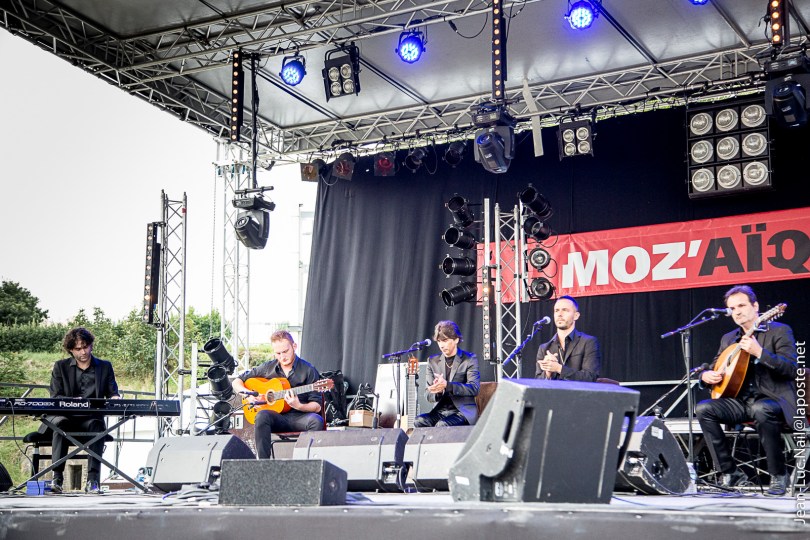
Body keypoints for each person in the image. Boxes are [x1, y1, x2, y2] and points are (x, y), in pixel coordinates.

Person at [695, 285, 797, 496]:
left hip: (774, 400)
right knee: (704, 409)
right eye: (732, 308)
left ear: (756, 306)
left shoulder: (779, 331)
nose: (737, 312)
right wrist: (705, 376)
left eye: (741, 306)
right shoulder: (729, 338)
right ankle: (730, 472)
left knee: (761, 409)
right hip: (741, 403)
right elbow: (716, 366)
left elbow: (791, 369)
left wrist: (760, 353)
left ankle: (778, 475)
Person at [48, 327, 121, 494]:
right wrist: (72, 401)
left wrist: (115, 398)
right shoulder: (61, 367)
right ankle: (57, 478)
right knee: (60, 424)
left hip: (90, 419)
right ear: (71, 350)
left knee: (97, 426)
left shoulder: (105, 367)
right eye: (78, 349)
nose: (83, 352)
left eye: (86, 347)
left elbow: (113, 392)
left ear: (91, 345)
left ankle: (93, 481)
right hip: (65, 416)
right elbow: (55, 396)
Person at [232, 330, 324, 458]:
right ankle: (263, 464)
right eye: (278, 353)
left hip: (300, 417)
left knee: (317, 421)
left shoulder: (308, 370)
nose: (282, 357)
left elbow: (317, 406)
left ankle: (307, 463)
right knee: (261, 416)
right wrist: (248, 394)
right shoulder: (267, 368)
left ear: (294, 346)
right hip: (276, 418)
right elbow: (236, 382)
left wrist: (299, 405)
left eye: (285, 351)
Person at [414, 321, 480, 428]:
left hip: (462, 412)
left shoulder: (469, 359)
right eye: (439, 341)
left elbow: (474, 388)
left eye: (445, 340)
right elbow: (428, 395)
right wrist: (438, 391)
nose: (441, 345)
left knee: (442, 425)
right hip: (440, 411)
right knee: (419, 421)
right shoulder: (432, 361)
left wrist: (447, 385)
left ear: (456, 340)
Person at [534, 295, 601, 381]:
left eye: (565, 310)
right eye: (556, 310)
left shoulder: (588, 342)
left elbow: (590, 377)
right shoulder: (544, 348)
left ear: (576, 315)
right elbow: (537, 383)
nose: (560, 314)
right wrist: (547, 372)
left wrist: (559, 368)